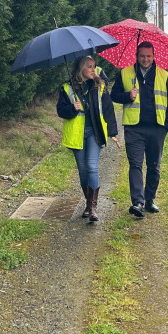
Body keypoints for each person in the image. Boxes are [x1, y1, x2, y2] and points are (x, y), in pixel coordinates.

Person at [110, 41, 168, 218]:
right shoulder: (125, 73)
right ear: (136, 56)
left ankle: (149, 200)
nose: (145, 59)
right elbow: (114, 95)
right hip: (134, 129)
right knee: (136, 165)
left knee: (154, 166)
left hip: (157, 129)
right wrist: (127, 96)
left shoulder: (163, 74)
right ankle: (137, 203)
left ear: (153, 56)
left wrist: (166, 126)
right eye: (142, 56)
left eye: (148, 56)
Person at [57, 56, 120, 222]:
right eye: (90, 67)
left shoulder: (99, 86)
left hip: (94, 132)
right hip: (77, 134)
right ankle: (87, 202)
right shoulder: (67, 87)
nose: (94, 70)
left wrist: (112, 132)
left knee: (92, 166)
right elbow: (60, 110)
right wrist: (72, 108)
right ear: (81, 69)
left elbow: (108, 109)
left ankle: (93, 207)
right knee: (83, 169)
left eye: (94, 66)